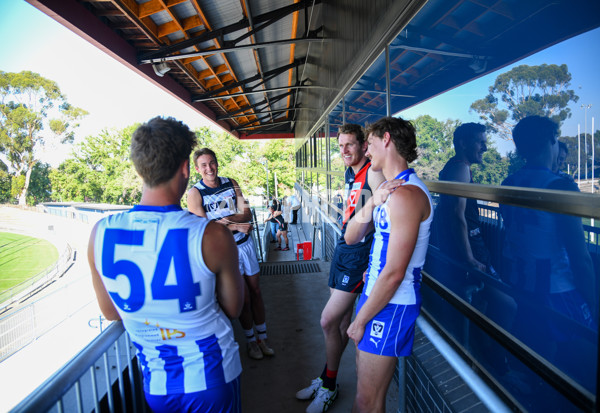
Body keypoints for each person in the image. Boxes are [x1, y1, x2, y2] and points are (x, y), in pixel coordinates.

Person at [88, 116, 244, 413]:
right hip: (213, 376)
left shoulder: (100, 232)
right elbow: (234, 308)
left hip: (156, 384)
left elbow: (111, 312)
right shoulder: (211, 235)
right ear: (186, 167)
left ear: (139, 169)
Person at [500, 116, 596, 390]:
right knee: (584, 366)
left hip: (522, 285)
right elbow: (580, 257)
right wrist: (593, 302)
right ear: (552, 140)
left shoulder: (509, 181)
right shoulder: (560, 185)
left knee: (541, 360)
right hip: (558, 289)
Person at [345, 116, 433, 413]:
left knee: (367, 402)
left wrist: (358, 321)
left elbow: (395, 273)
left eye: (368, 144)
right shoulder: (389, 190)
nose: (366, 152)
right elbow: (351, 236)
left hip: (391, 304)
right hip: (376, 297)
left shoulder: (408, 195)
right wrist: (373, 201)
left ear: (386, 139)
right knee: (366, 396)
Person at [296, 124, 386, 413]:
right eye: (341, 146)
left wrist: (373, 261)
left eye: (350, 145)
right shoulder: (351, 172)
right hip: (345, 248)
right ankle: (327, 380)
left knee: (328, 321)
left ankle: (329, 385)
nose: (345, 151)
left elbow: (385, 222)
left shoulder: (373, 172)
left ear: (363, 145)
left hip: (359, 255)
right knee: (340, 321)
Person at [188, 148, 275, 360]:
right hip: (226, 252)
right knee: (242, 297)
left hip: (245, 246)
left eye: (212, 162)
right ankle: (251, 341)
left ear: (217, 162)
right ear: (197, 169)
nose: (209, 168)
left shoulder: (231, 183)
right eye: (204, 165)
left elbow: (245, 211)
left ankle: (262, 338)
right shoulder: (195, 193)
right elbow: (204, 229)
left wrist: (222, 222)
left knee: (255, 291)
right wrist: (235, 226)